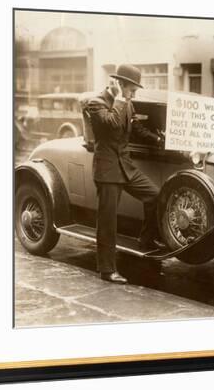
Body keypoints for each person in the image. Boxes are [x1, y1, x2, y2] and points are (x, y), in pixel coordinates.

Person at [83, 64, 163, 284]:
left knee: (156, 195)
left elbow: (135, 127)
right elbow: (111, 123)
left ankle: (146, 240)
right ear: (120, 84)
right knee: (108, 222)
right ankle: (107, 270)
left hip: (125, 166)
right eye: (132, 89)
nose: (134, 94)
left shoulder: (127, 103)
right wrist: (120, 99)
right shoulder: (96, 103)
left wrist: (158, 139)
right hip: (107, 170)